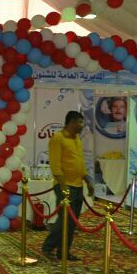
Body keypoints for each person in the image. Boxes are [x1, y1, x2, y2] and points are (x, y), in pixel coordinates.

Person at [43, 110, 94, 261]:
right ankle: (47, 247)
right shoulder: (57, 138)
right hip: (65, 186)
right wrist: (63, 186)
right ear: (72, 122)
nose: (82, 125)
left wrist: (87, 181)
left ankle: (64, 251)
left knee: (72, 222)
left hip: (78, 185)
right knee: (64, 220)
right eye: (80, 122)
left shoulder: (77, 139)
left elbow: (80, 163)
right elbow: (55, 165)